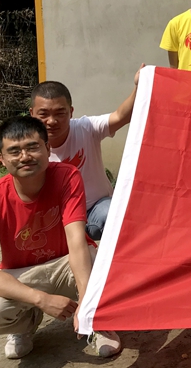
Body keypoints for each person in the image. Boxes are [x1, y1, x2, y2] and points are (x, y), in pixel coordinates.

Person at [0, 116, 122, 359]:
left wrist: (85, 302)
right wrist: (41, 300)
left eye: (32, 147)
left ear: (48, 149)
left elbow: (76, 241)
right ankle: (24, 325)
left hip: (64, 265)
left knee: (92, 257)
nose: (25, 156)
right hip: (24, 274)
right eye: (14, 151)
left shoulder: (67, 176)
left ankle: (95, 321)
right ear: (1, 159)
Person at [29, 67, 141, 240]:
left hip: (96, 209)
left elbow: (121, 116)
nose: (51, 121)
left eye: (60, 113)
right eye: (43, 114)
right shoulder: (27, 146)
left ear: (71, 112)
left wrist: (139, 86)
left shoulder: (86, 128)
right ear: (32, 114)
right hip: (57, 216)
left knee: (115, 216)